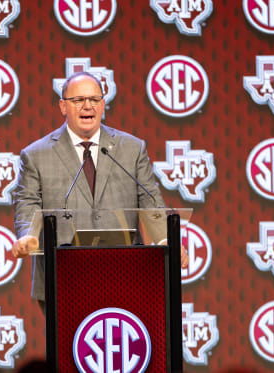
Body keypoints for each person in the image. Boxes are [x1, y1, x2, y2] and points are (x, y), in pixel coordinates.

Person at [11, 72, 187, 307]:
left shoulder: (131, 148)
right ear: (63, 106)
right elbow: (27, 202)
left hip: (125, 275)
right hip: (63, 278)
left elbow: (149, 198)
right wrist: (28, 235)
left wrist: (164, 237)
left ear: (103, 105)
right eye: (78, 100)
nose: (88, 106)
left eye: (94, 99)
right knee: (70, 344)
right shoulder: (36, 155)